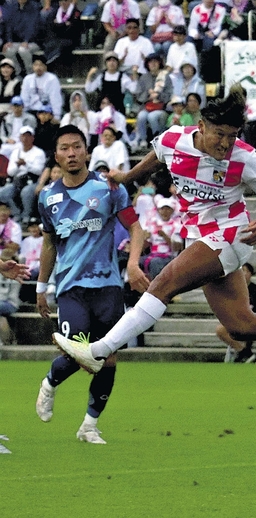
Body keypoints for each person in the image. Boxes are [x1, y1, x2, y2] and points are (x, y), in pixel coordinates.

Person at [53, 86, 256, 377]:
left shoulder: (244, 158)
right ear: (200, 127)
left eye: (232, 136)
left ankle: (99, 350)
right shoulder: (174, 140)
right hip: (198, 234)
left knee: (162, 284)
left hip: (231, 234)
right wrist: (127, 177)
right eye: (219, 134)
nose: (225, 143)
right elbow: (156, 159)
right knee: (241, 325)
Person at [33, 124, 147, 445]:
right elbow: (49, 244)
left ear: (87, 150)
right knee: (80, 350)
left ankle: (89, 426)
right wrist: (41, 288)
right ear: (56, 155)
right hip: (71, 287)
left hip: (108, 285)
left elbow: (136, 229)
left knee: (107, 359)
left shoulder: (109, 188)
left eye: (77, 147)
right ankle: (50, 383)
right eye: (65, 148)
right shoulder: (48, 197)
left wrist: (134, 263)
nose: (71, 153)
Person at [217, 262, 256, 363]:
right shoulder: (233, 290)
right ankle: (243, 351)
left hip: (254, 321)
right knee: (220, 330)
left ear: (251, 274)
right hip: (237, 321)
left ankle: (245, 353)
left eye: (245, 271)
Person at [1, 127, 46, 221]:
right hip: (18, 180)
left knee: (26, 192)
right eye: (23, 136)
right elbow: (10, 172)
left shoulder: (38, 152)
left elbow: (39, 170)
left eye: (28, 136)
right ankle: (16, 213)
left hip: (33, 180)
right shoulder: (15, 152)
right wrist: (17, 165)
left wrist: (26, 164)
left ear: (32, 138)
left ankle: (26, 216)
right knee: (4, 192)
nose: (25, 139)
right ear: (20, 138)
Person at [2, 0, 43, 75]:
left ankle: (30, 72)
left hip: (33, 41)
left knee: (23, 50)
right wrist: (9, 40)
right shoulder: (12, 7)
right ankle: (17, 71)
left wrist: (26, 40)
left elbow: (32, 27)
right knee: (8, 50)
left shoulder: (34, 7)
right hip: (17, 41)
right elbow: (9, 26)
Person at [21, 57, 63, 122]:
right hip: (32, 111)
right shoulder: (27, 79)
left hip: (47, 111)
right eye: (36, 65)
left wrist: (56, 115)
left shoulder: (52, 79)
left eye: (40, 65)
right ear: (32, 66)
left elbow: (55, 98)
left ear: (45, 67)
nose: (38, 68)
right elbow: (24, 98)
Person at [43, 0, 83, 66]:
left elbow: (73, 28)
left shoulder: (75, 12)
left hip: (70, 39)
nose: (63, 3)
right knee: (48, 45)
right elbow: (51, 27)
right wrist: (64, 25)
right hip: (57, 38)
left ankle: (52, 59)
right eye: (61, 1)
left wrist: (59, 25)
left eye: (66, 1)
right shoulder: (55, 12)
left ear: (70, 1)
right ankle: (48, 61)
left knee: (61, 46)